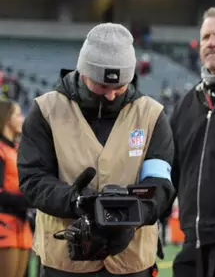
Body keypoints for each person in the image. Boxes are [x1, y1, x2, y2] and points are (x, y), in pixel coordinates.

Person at [17, 23, 175, 277]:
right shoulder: (46, 111)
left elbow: (160, 182)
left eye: (120, 86)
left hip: (132, 262)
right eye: (102, 86)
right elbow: (33, 178)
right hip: (65, 261)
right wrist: (77, 201)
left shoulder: (152, 115)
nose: (111, 95)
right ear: (83, 72)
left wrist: (134, 215)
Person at [171, 8, 215, 277]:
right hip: (193, 242)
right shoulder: (186, 104)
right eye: (206, 37)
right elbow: (171, 171)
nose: (211, 42)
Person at [0, 100, 32, 277]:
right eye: (18, 114)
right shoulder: (1, 150)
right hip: (4, 225)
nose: (22, 118)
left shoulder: (17, 150)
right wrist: (28, 200)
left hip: (21, 226)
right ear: (6, 119)